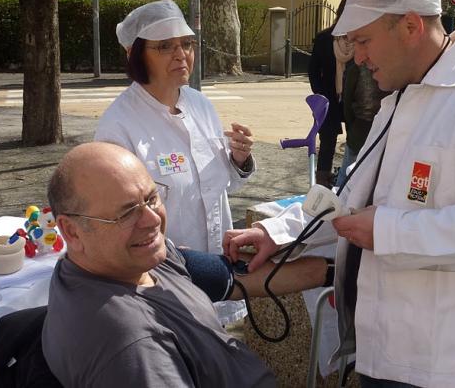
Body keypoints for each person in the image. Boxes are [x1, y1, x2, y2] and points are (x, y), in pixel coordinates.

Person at [223, 0, 455, 386]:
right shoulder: (402, 97)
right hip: (379, 351)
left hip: (447, 366)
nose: (357, 58)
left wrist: (389, 231)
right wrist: (282, 232)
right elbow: (352, 196)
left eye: (364, 41)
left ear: (410, 26)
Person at [41, 142, 331, 387]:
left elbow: (231, 275)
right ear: (72, 231)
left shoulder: (133, 262)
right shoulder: (133, 346)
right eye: (127, 212)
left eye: (152, 198)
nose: (153, 220)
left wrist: (336, 272)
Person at [94, 0, 253, 325]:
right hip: (163, 284)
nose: (181, 54)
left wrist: (240, 158)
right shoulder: (118, 125)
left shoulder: (200, 105)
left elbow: (219, 183)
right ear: (135, 54)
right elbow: (118, 218)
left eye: (186, 44)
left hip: (219, 272)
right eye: (165, 46)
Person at [334, 42, 390, 187]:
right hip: (377, 126)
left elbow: (347, 103)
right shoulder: (391, 66)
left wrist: (351, 125)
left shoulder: (357, 68)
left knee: (346, 176)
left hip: (362, 125)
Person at [308, 0, 348, 188]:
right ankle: (323, 184)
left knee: (356, 143)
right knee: (327, 143)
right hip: (329, 99)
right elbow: (313, 70)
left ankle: (350, 182)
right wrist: (320, 96)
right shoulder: (325, 38)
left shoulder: (360, 39)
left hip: (353, 100)